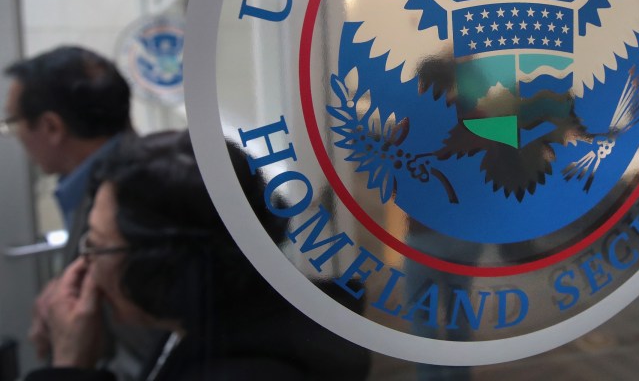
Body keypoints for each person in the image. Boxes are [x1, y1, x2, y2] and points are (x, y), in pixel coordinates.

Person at [25, 131, 370, 380]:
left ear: (161, 262)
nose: (86, 265)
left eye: (97, 246)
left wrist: (68, 365)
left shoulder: (244, 370)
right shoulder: (210, 323)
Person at [2, 46, 134, 363]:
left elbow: (139, 342)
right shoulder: (103, 178)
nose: (14, 135)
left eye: (13, 121)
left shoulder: (130, 200)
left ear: (51, 127)